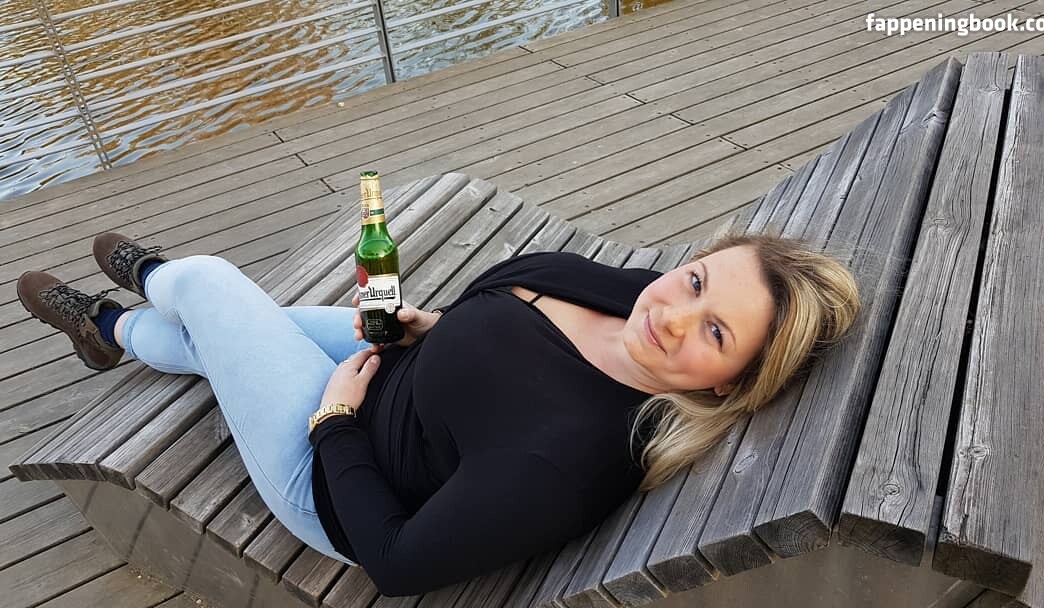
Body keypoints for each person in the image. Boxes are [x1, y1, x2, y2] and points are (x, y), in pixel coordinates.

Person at [16, 229, 860, 598]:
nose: (674, 314)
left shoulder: (569, 459)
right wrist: (438, 328)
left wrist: (334, 425)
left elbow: (396, 561)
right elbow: (511, 352)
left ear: (729, 386)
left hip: (338, 477)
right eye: (698, 280)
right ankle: (110, 330)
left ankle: (147, 284)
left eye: (716, 333)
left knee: (210, 288)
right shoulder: (637, 300)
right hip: (400, 371)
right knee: (224, 333)